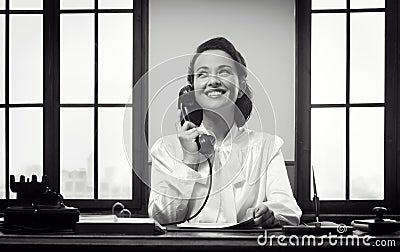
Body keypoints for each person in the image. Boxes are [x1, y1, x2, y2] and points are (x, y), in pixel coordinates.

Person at [148, 37, 301, 227]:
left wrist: (272, 214)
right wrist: (188, 160)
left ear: (241, 87)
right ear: (191, 89)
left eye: (224, 72)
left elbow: (289, 210)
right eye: (203, 74)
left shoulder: (267, 147)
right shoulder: (165, 148)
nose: (213, 81)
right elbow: (161, 216)